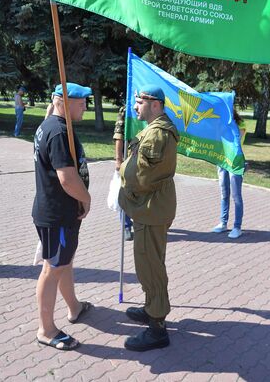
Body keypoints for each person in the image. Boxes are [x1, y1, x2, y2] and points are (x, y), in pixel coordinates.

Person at [118, 85, 179, 352]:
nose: (135, 106)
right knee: (148, 262)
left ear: (156, 104)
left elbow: (140, 177)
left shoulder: (157, 134)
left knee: (150, 266)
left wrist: (121, 173)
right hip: (151, 208)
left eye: (139, 101)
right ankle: (151, 306)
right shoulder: (157, 129)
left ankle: (157, 327)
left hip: (151, 208)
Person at [32, 82, 93, 351]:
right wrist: (86, 198)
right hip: (57, 213)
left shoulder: (52, 125)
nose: (85, 106)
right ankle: (46, 329)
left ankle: (74, 307)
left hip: (61, 213)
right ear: (61, 101)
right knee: (52, 268)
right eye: (80, 102)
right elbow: (67, 178)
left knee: (64, 262)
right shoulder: (57, 132)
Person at [212, 109, 246, 239]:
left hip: (235, 163)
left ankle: (237, 227)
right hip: (222, 161)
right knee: (224, 193)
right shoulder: (219, 123)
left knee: (236, 196)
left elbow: (235, 141)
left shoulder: (241, 124)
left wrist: (228, 125)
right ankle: (223, 223)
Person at [113, 105, 133, 241]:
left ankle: (141, 223)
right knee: (124, 194)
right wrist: (118, 160)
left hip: (146, 162)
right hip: (128, 161)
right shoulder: (126, 108)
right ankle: (126, 226)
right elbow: (119, 136)